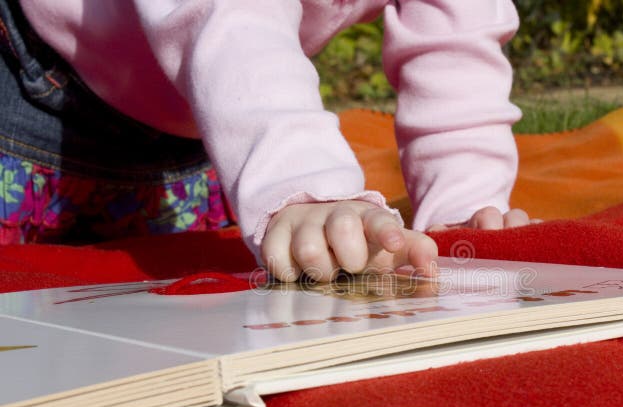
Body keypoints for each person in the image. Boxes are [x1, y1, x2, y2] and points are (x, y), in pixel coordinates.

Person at [2, 0, 531, 280]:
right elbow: (231, 14)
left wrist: (463, 206)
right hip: (39, 95)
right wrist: (305, 187)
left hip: (207, 128)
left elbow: (455, 40)